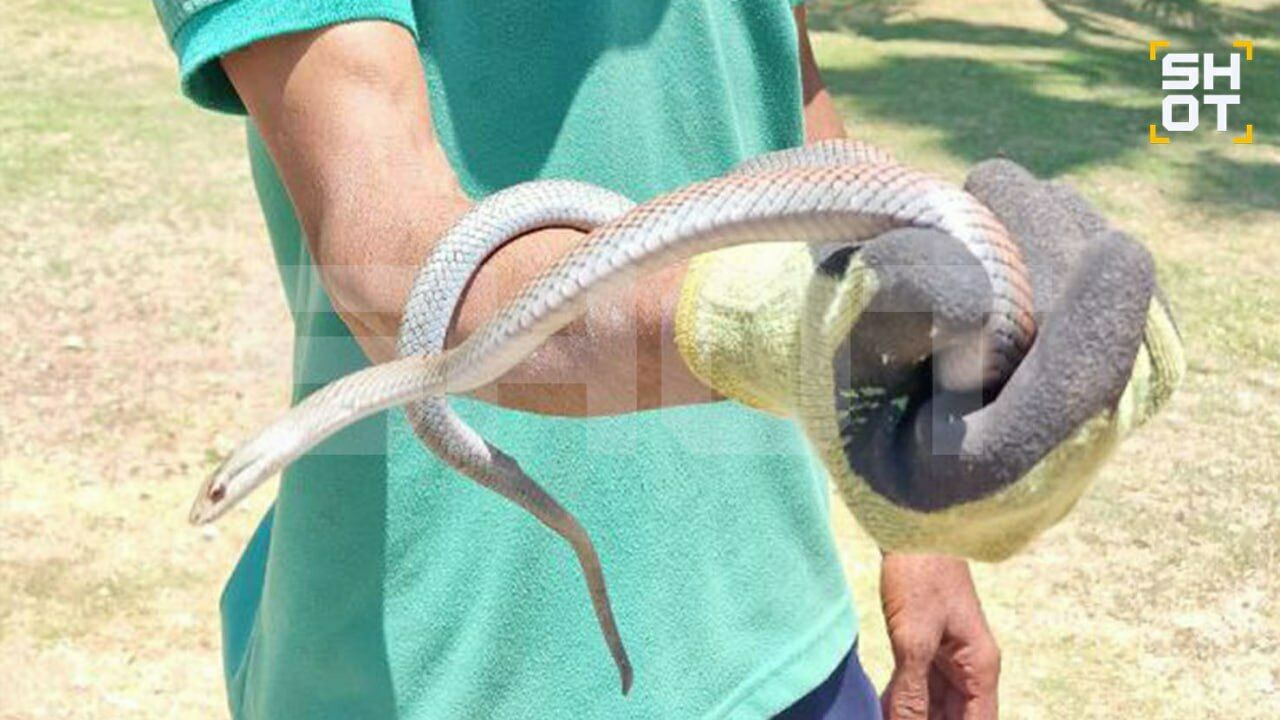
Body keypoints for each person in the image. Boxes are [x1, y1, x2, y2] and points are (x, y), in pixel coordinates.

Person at [150, 1, 1181, 717]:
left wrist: (917, 522)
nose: (218, 497)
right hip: (450, 675)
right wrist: (765, 321)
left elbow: (788, 97)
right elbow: (389, 257)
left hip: (783, 636)